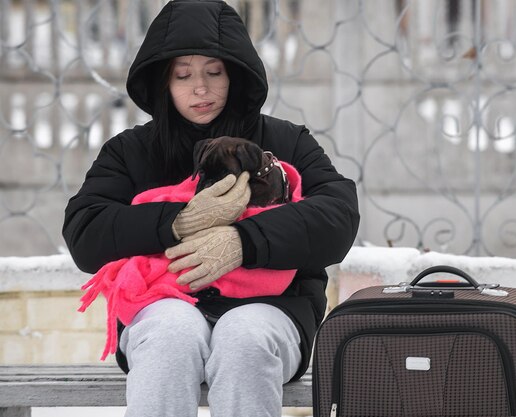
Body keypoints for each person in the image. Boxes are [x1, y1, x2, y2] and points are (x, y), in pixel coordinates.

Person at [62, 1, 359, 416]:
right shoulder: (130, 152)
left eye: (214, 72)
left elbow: (338, 215)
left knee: (244, 339)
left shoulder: (286, 141)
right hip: (161, 308)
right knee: (171, 334)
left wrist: (245, 241)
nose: (200, 88)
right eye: (182, 75)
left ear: (236, 75)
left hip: (274, 310)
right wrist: (178, 221)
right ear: (162, 82)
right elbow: (84, 231)